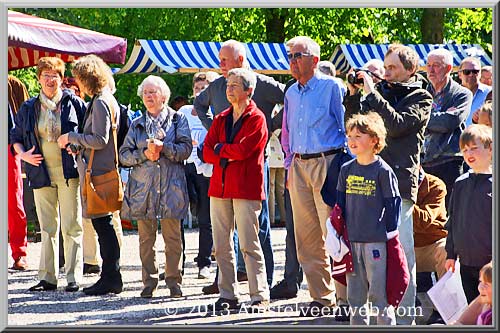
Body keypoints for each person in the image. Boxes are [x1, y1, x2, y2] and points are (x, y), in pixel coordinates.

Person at [343, 44, 433, 325]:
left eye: (393, 68)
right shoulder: (380, 92)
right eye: (386, 67)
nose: (387, 72)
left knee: (401, 252)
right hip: (366, 180)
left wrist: (373, 93)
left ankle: (405, 320)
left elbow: (395, 126)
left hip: (400, 183)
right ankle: (372, 316)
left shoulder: (422, 97)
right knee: (363, 252)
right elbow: (354, 127)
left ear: (410, 69)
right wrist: (355, 95)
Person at [194, 39, 285, 293]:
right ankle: (226, 285)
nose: (220, 64)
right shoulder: (217, 89)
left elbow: (290, 97)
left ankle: (262, 283)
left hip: (253, 168)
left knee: (258, 227)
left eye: (225, 60)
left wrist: (272, 124)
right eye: (220, 59)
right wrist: (213, 132)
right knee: (223, 235)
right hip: (223, 173)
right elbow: (205, 143)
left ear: (241, 61)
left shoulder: (261, 85)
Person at [281, 36, 346, 317]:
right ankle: (321, 298)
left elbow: (346, 128)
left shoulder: (333, 87)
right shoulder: (290, 92)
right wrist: (288, 166)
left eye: (297, 55)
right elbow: (286, 133)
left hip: (327, 163)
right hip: (298, 166)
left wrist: (344, 168)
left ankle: (345, 299)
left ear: (314, 60)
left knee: (333, 233)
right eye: (290, 56)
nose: (292, 61)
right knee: (306, 237)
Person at [11, 57, 86, 292]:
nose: (50, 79)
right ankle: (47, 277)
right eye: (46, 75)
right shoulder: (29, 107)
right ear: (39, 79)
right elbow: (15, 137)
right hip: (40, 172)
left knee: (72, 226)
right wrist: (23, 156)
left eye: (55, 75)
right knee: (47, 227)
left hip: (68, 172)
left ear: (62, 79)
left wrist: (77, 145)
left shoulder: (73, 103)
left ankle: (73, 277)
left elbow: (87, 131)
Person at [203, 68, 270, 312]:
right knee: (221, 245)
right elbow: (206, 151)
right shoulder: (221, 118)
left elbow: (245, 151)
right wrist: (225, 151)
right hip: (219, 189)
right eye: (227, 85)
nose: (228, 89)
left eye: (233, 86)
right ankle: (228, 294)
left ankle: (259, 295)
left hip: (245, 189)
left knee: (249, 244)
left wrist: (221, 150)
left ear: (248, 91)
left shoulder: (257, 118)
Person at [118, 75, 191, 299]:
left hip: (171, 186)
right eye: (146, 93)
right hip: (144, 188)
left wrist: (164, 148)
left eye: (153, 92)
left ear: (163, 96)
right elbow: (123, 156)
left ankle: (173, 281)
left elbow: (186, 149)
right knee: (145, 239)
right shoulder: (137, 124)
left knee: (172, 238)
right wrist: (144, 154)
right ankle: (149, 281)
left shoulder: (178, 120)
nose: (149, 96)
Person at [57, 54, 123, 295]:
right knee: (104, 226)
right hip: (100, 169)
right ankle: (110, 276)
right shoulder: (104, 99)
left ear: (88, 78)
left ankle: (111, 278)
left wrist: (71, 138)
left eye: (79, 78)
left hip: (99, 173)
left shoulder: (101, 102)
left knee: (103, 226)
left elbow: (100, 139)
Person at [336, 112, 400, 325]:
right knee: (355, 297)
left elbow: (393, 204)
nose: (352, 141)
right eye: (350, 136)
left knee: (379, 295)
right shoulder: (346, 169)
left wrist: (390, 236)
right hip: (352, 241)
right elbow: (340, 205)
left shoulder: (383, 170)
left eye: (358, 136)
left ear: (374, 140)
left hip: (376, 242)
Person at [178, 71, 220, 279]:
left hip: (207, 169)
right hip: (185, 167)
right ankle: (177, 264)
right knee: (177, 215)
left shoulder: (215, 113)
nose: (200, 92)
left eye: (204, 89)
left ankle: (204, 262)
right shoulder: (184, 112)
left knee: (205, 218)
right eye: (197, 89)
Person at [444, 124, 492, 304]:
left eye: (474, 148)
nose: (469, 153)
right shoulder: (460, 183)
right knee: (472, 305)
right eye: (464, 150)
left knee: (489, 309)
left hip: (489, 265)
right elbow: (453, 221)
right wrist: (450, 254)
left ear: (490, 149)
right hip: (465, 263)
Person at [422, 48, 473, 210]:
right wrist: (439, 117)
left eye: (436, 65)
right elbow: (412, 120)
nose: (430, 70)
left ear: (449, 68)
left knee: (450, 213)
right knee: (425, 217)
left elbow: (450, 122)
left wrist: (424, 118)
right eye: (428, 65)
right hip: (423, 162)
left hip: (448, 162)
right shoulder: (422, 93)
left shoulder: (461, 94)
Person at [413, 166, 448, 324]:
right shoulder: (387, 181)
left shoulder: (436, 185)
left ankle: (442, 312)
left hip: (431, 245)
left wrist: (403, 198)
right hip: (403, 246)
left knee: (446, 250)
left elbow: (424, 220)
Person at [8, 75, 30, 271]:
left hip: (8, 148)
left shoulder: (14, 84)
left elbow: (25, 120)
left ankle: (19, 254)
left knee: (14, 204)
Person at [458, 57, 492, 127]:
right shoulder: (452, 94)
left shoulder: (491, 93)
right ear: (459, 74)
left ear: (479, 74)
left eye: (475, 71)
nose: (471, 74)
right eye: (466, 72)